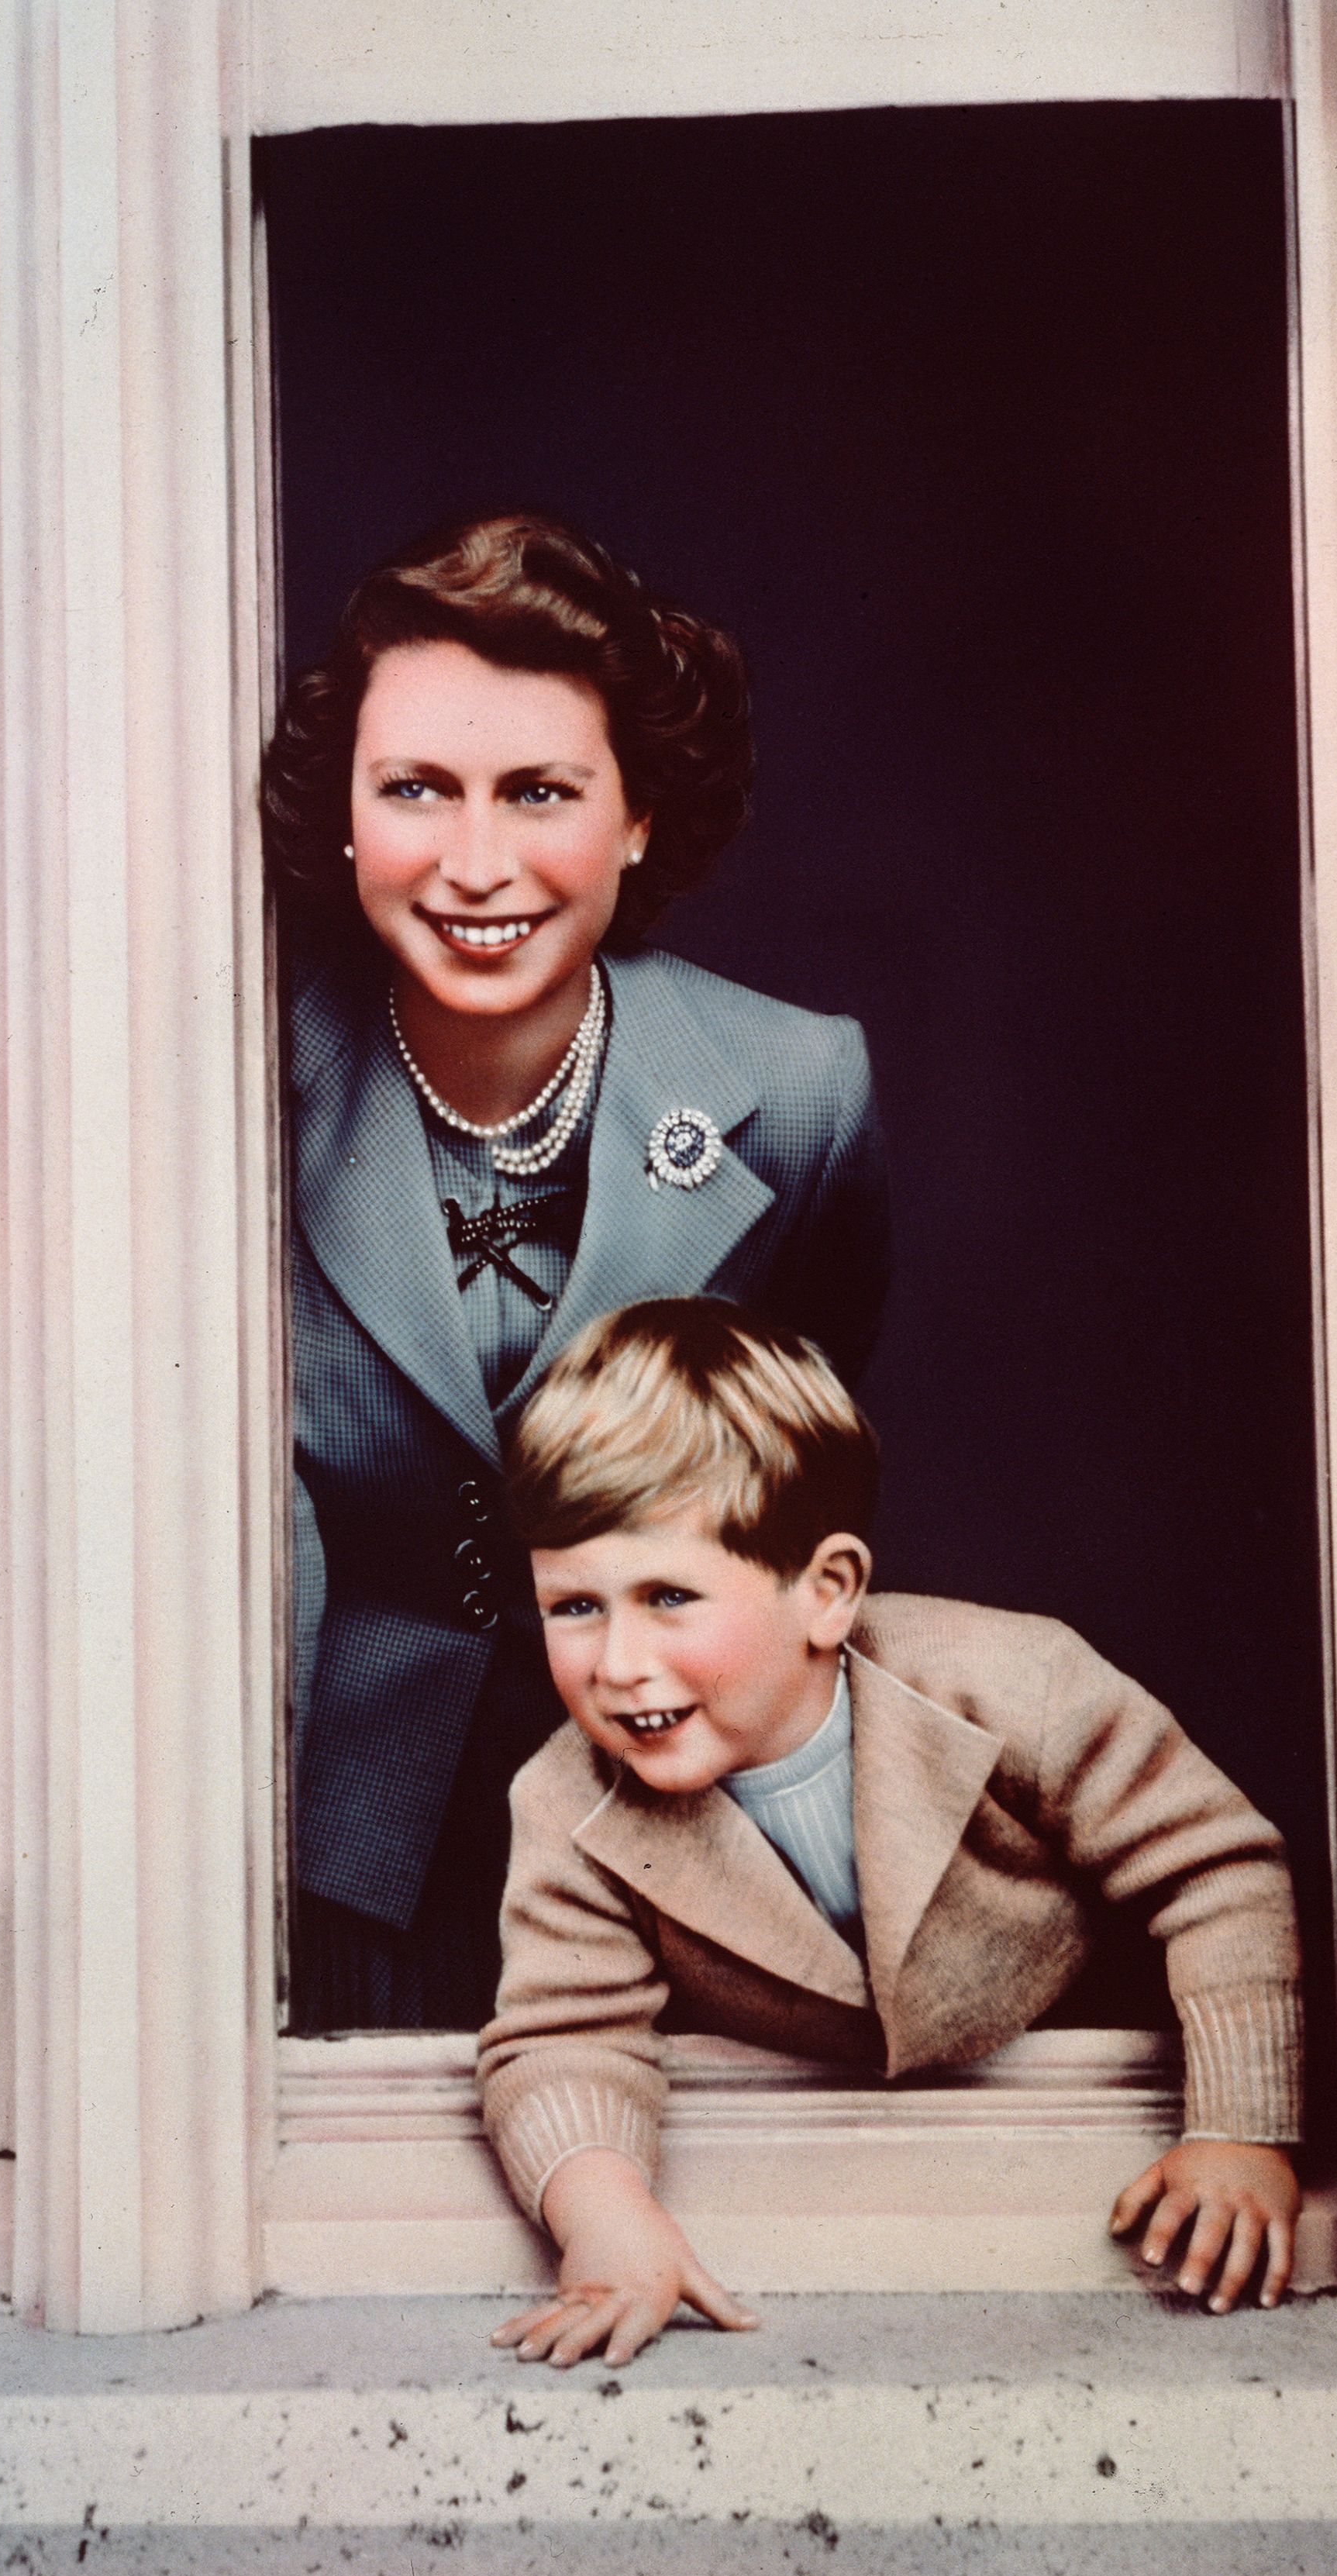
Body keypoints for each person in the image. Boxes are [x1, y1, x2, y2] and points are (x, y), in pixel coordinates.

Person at [263, 512, 889, 2033]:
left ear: (637, 819)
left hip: (679, 1843)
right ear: (346, 816)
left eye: (540, 792)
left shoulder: (800, 1091)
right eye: (417, 789)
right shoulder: (243, 1086)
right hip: (330, 1863)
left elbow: (800, 1471)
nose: (477, 863)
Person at [477, 1297, 1303, 2367]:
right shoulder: (564, 1801)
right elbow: (561, 2036)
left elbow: (1216, 1868)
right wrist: (604, 2217)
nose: (619, 1661)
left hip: (1064, 2100)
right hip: (827, 2145)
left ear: (826, 1593)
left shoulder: (1018, 1684)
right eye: (574, 1607)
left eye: (668, 1595)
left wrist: (1240, 2131)